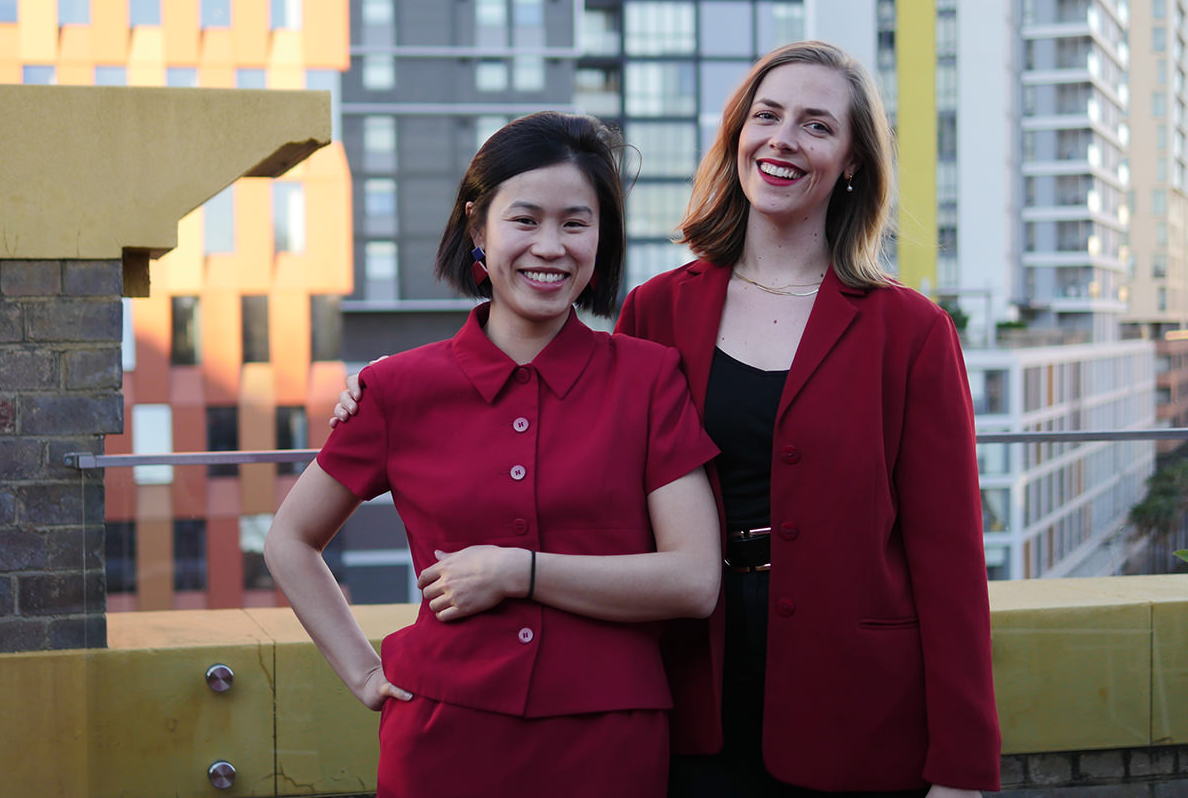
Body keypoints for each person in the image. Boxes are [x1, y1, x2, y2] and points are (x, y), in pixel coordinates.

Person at [335, 42, 1001, 797]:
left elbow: (951, 566)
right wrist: (383, 397)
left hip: (857, 707)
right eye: (767, 116)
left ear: (851, 161)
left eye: (817, 126)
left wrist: (961, 768)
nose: (783, 139)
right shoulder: (658, 308)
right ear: (737, 137)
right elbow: (571, 438)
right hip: (688, 690)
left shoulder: (910, 332)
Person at [267, 111, 722, 798]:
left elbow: (692, 580)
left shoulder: (650, 377)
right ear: (478, 228)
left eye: (576, 223)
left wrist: (520, 572)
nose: (550, 246)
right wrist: (362, 673)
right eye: (525, 220)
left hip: (610, 744)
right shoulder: (396, 388)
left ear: (602, 238)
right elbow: (289, 540)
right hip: (441, 739)